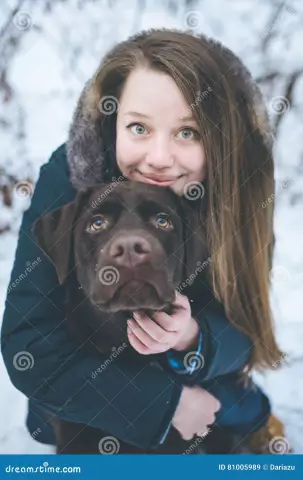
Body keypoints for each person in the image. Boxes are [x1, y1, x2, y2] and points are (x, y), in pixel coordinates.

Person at [1, 28, 289, 454]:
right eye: (138, 127)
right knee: (50, 424)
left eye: (187, 132)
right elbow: (29, 341)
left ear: (222, 140)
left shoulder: (238, 194)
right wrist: (165, 404)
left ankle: (248, 413)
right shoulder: (72, 178)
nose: (158, 157)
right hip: (93, 370)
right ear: (111, 121)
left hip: (196, 367)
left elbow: (246, 328)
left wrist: (193, 339)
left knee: (238, 407)